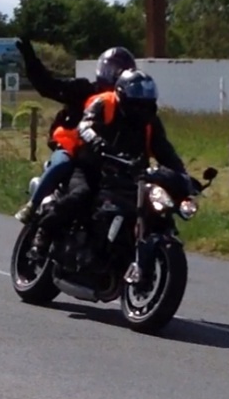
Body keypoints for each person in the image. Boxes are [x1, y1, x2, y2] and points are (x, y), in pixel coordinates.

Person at [28, 68, 192, 259]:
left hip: (128, 175)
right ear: (123, 97)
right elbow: (85, 126)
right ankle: (44, 231)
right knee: (82, 194)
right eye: (137, 104)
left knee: (154, 209)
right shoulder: (104, 103)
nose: (141, 110)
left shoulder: (150, 122)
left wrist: (182, 176)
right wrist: (97, 142)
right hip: (91, 167)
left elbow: (165, 151)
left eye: (147, 105)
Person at [14, 39, 137, 224]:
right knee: (62, 163)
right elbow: (48, 85)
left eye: (120, 71)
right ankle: (32, 206)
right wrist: (31, 59)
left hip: (103, 157)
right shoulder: (83, 89)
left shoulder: (129, 104)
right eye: (111, 70)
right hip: (71, 147)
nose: (114, 75)